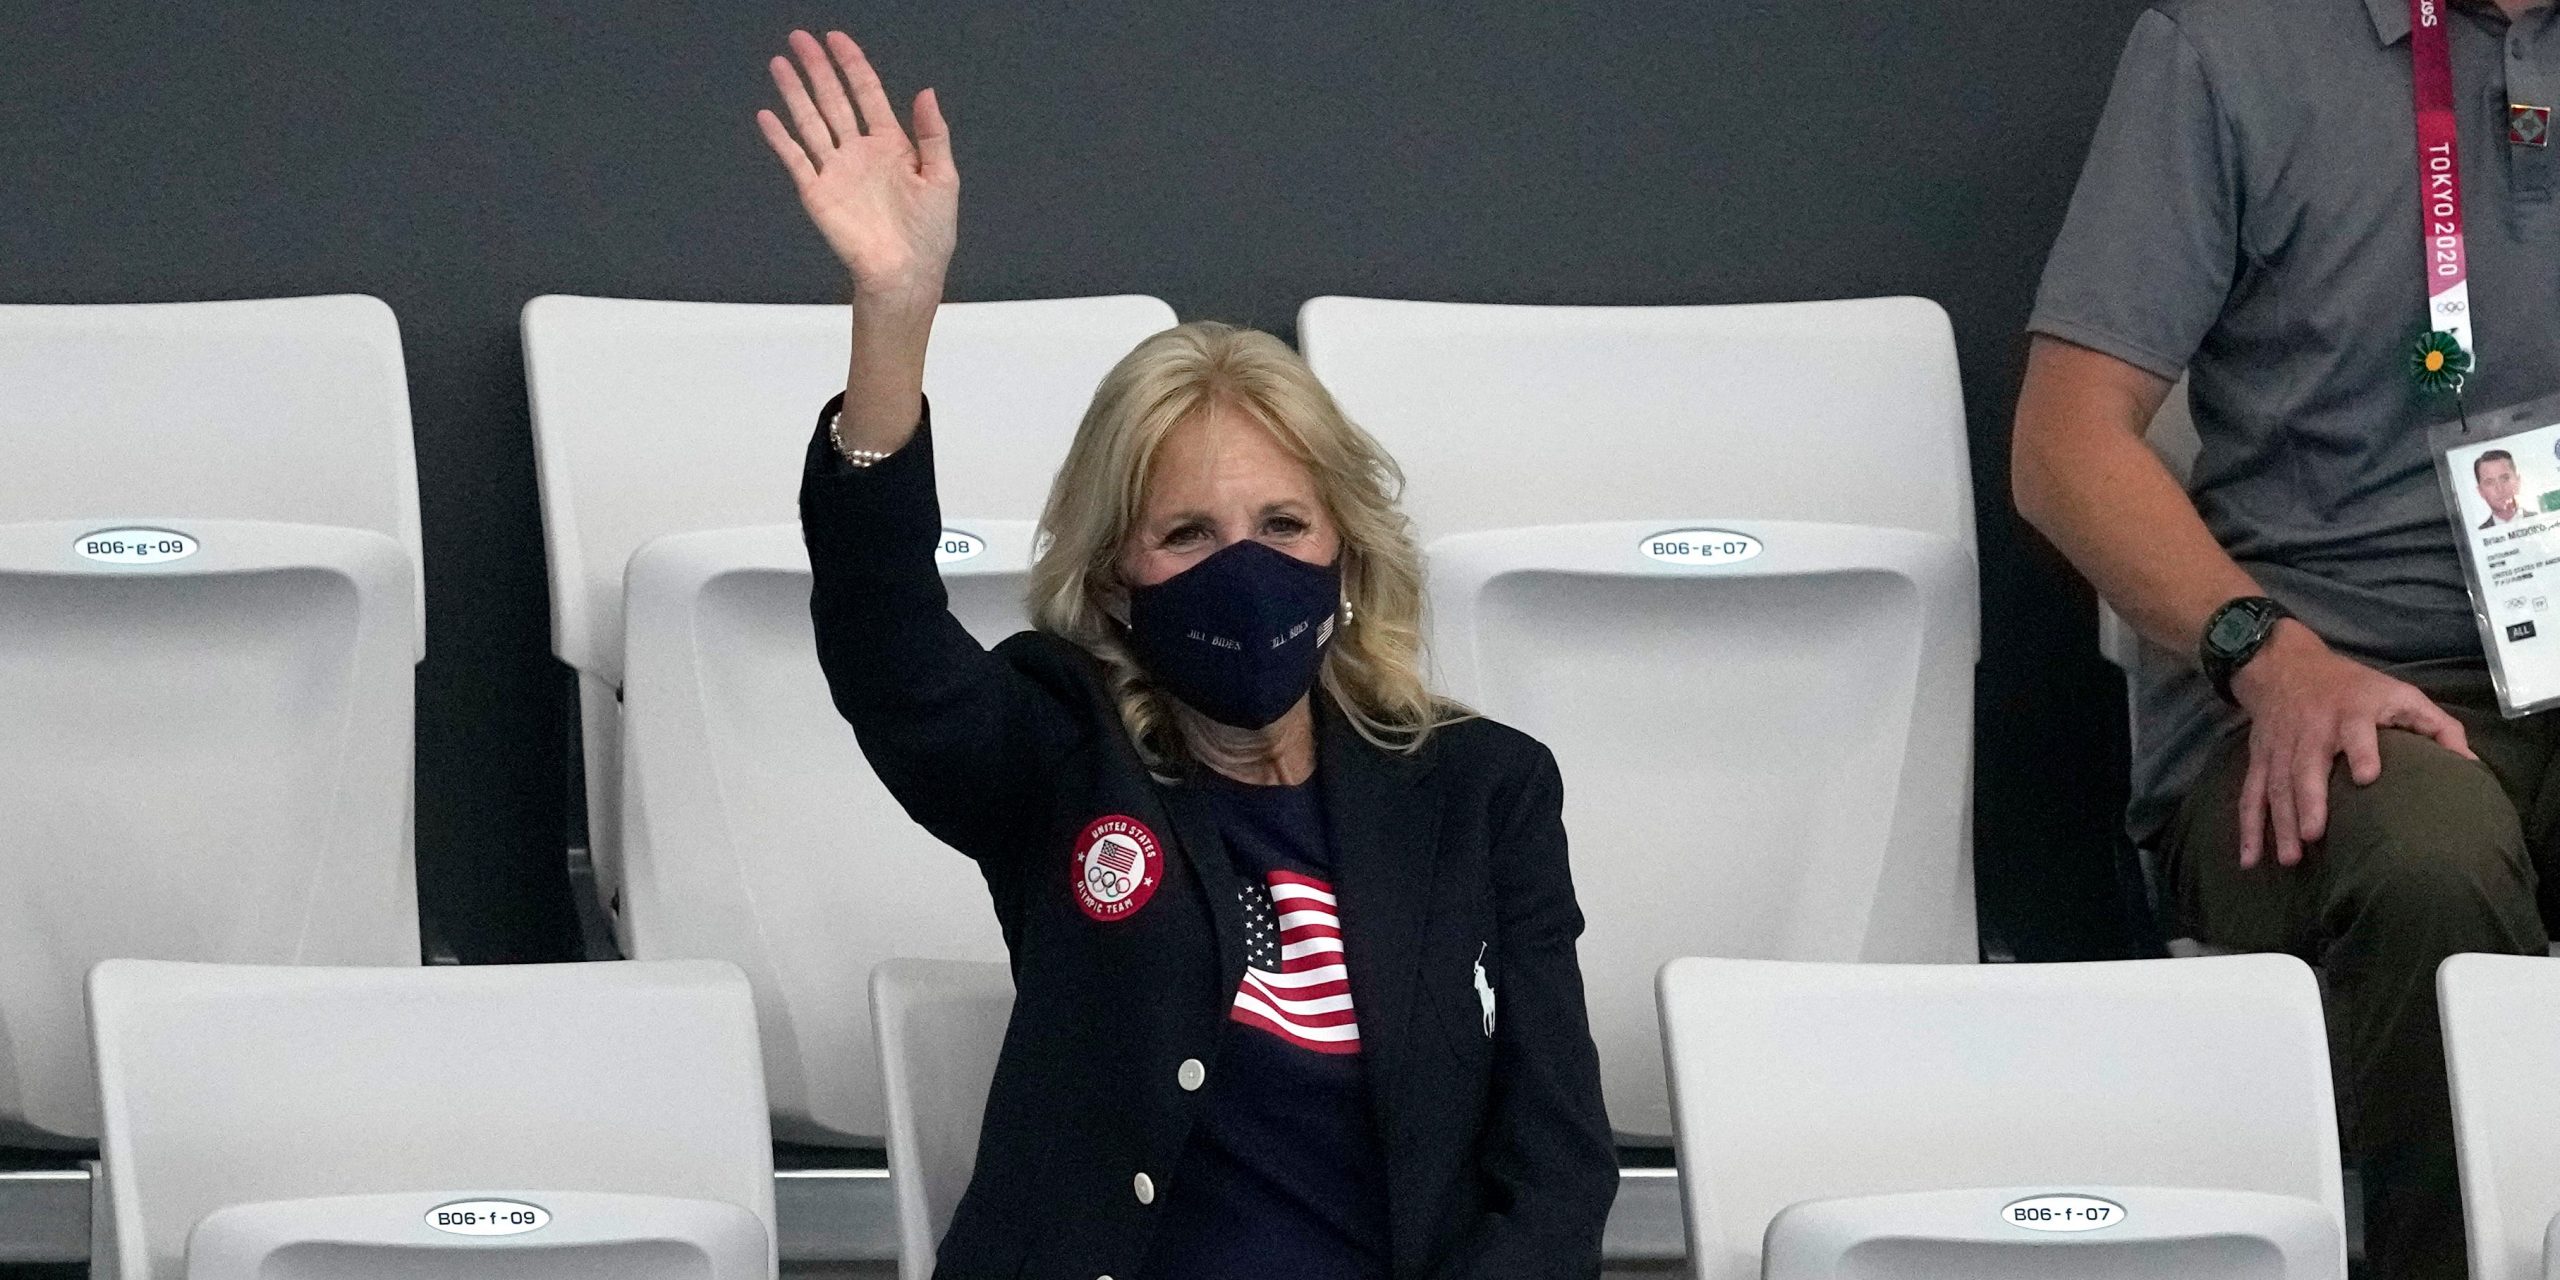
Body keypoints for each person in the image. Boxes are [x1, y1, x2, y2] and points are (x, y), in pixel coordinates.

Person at [755, 29, 1617, 1280]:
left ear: (1345, 546)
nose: (1246, 566)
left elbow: (1554, 1170)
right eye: (1187, 533)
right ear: (1115, 569)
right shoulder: (1063, 746)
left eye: (1282, 525)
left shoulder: (1484, 791)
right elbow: (888, 648)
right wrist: (894, 318)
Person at [2013, 1, 2560, 1275]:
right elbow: (2064, 444)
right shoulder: (2227, 47)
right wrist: (2271, 656)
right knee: (2428, 857)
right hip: (2315, 689)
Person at [2475, 450, 2530, 528]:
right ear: (2481, 491)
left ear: (2518, 481)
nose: (2500, 488)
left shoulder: (2543, 521)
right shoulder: (2476, 536)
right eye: (2490, 482)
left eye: (2505, 479)